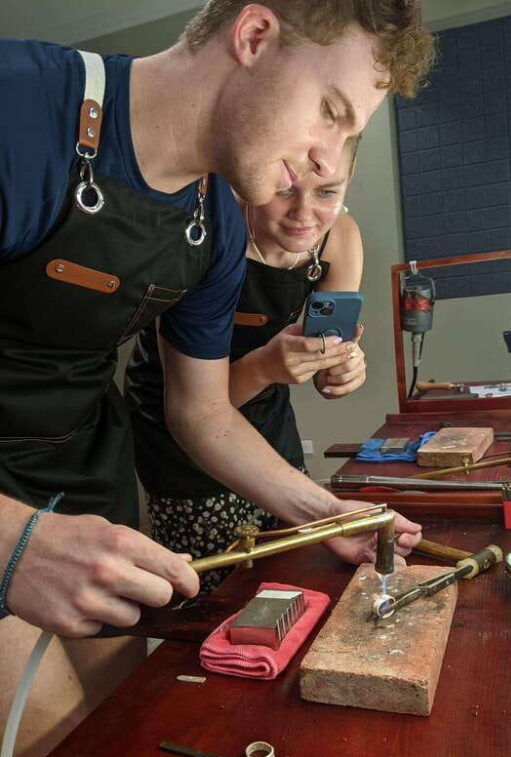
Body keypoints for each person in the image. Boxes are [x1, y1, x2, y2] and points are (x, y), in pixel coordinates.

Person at [0, 1, 435, 637]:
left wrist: (330, 514)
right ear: (255, 35)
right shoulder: (21, 111)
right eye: (330, 113)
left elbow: (201, 412)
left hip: (87, 472)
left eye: (347, 138)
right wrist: (16, 541)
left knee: (111, 719)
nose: (326, 161)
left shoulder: (217, 227)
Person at [126, 138, 366, 592]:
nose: (303, 214)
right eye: (283, 190)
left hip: (266, 412)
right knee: (217, 587)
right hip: (176, 422)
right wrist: (265, 368)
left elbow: (326, 349)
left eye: (327, 193)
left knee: (297, 567)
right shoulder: (203, 235)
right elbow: (195, 410)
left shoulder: (342, 239)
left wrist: (341, 365)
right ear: (249, 175)